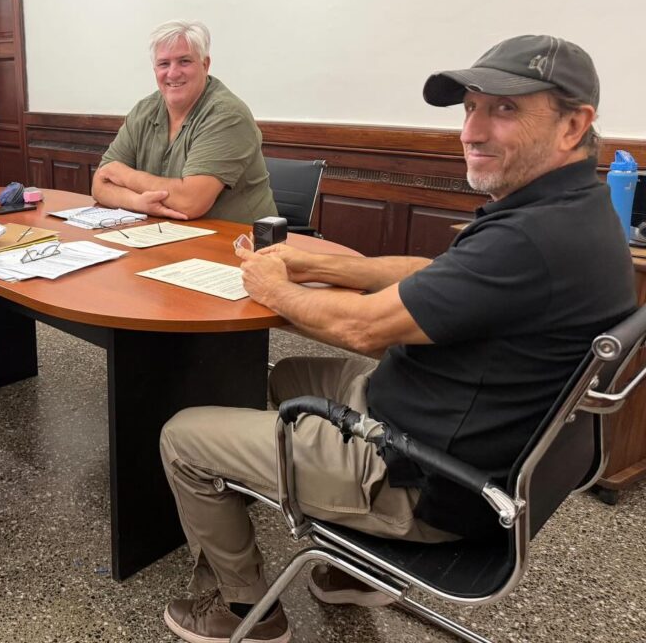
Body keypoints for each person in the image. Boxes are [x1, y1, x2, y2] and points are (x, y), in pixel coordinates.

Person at [158, 34, 637, 643]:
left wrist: (272, 284)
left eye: (505, 109)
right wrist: (314, 264)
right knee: (288, 377)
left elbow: (361, 328)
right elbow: (436, 274)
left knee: (182, 436)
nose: (471, 131)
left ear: (573, 124)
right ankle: (353, 569)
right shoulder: (570, 208)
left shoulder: (532, 238)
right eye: (471, 108)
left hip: (424, 477)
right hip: (447, 423)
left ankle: (243, 611)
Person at [91, 20, 277, 224]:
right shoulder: (144, 110)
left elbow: (190, 202)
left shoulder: (227, 115)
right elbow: (100, 185)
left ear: (205, 65)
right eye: (164, 64)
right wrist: (139, 203)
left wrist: (124, 175)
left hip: (240, 239)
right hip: (166, 233)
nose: (173, 73)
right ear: (154, 69)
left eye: (184, 61)